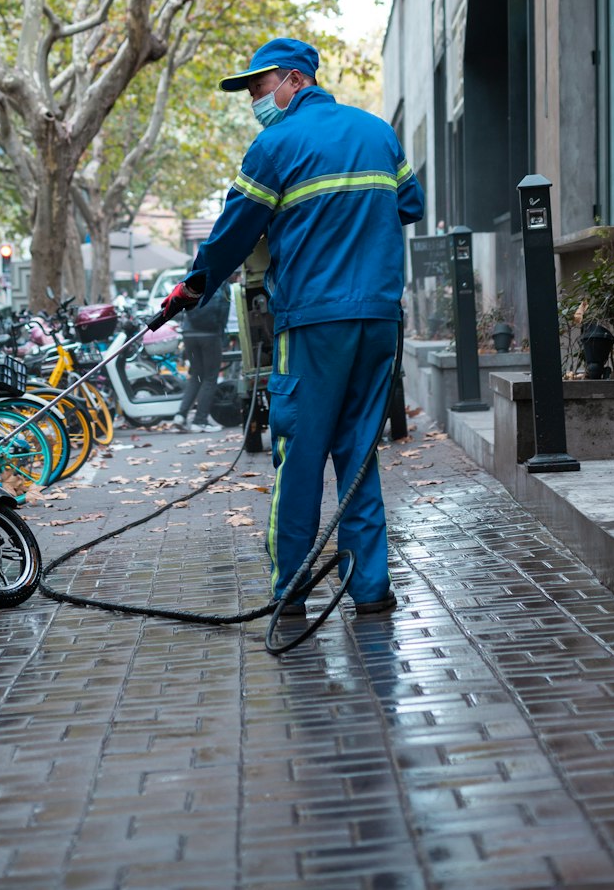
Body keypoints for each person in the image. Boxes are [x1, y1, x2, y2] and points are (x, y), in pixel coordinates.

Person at [163, 37, 424, 618]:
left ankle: (291, 592)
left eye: (259, 87)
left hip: (312, 323)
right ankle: (371, 589)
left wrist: (194, 286)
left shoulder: (274, 146)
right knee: (359, 454)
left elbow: (234, 233)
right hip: (379, 319)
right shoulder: (377, 132)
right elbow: (410, 203)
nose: (255, 99)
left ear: (294, 80)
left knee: (300, 454)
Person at [173, 276, 231, 432]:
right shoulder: (221, 282)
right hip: (210, 335)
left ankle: (180, 415)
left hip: (189, 333)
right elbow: (224, 311)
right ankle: (200, 421)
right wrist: (222, 335)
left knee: (196, 374)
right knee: (211, 377)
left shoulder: (193, 276)